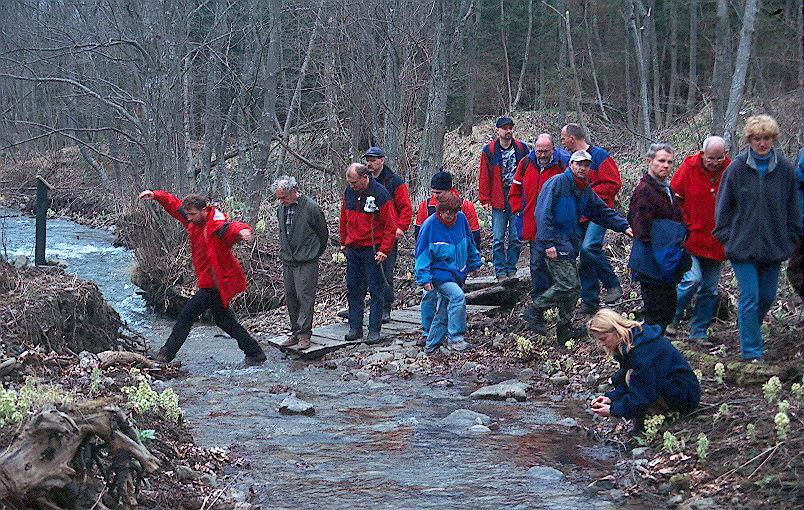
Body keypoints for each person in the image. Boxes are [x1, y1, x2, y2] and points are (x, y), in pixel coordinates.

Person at [138, 190, 267, 365]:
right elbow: (175, 205)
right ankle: (255, 352)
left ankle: (165, 355)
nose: (189, 218)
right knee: (224, 320)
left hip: (215, 283)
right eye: (188, 214)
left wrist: (243, 231)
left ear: (204, 210)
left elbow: (232, 228)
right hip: (208, 281)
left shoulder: (217, 227)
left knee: (186, 315)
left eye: (192, 214)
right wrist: (155, 195)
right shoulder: (194, 220)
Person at [714, 115, 801, 361]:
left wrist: (791, 237)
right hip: (742, 246)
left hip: (773, 245)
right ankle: (751, 351)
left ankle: (749, 328)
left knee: (767, 297)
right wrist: (726, 237)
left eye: (766, 138)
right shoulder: (737, 168)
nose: (762, 143)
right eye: (756, 139)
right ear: (749, 140)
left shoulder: (785, 168)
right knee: (750, 296)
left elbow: (792, 206)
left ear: (773, 139)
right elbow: (723, 206)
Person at [531, 150, 632, 342]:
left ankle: (564, 329)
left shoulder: (584, 189)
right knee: (569, 284)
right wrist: (547, 243)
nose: (582, 168)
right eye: (579, 164)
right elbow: (542, 214)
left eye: (586, 165)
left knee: (573, 288)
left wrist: (624, 226)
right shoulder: (557, 183)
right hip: (553, 243)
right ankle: (535, 310)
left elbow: (601, 211)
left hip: (569, 243)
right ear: (571, 164)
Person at [665, 137, 731, 342]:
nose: (715, 162)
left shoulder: (730, 170)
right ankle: (672, 318)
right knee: (691, 280)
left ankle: (699, 331)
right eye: (711, 158)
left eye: (719, 158)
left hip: (717, 241)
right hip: (691, 238)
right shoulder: (688, 168)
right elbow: (674, 197)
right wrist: (684, 222)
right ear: (703, 154)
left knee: (710, 289)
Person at [588, 309, 700, 428]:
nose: (602, 344)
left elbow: (643, 393)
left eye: (603, 339)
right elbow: (633, 381)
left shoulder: (642, 351)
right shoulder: (634, 339)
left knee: (631, 377)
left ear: (616, 331)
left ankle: (664, 413)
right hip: (678, 387)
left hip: (685, 396)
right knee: (629, 376)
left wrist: (613, 410)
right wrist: (611, 398)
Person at [561, 123, 624, 314]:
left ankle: (613, 284)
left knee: (590, 247)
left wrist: (589, 196)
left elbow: (613, 184)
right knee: (584, 256)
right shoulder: (570, 161)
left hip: (599, 212)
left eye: (563, 138)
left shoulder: (600, 157)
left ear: (572, 138)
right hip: (580, 216)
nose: (562, 142)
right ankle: (590, 301)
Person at [628, 143, 691, 331]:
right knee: (655, 314)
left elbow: (677, 218)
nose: (666, 166)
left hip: (666, 260)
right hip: (651, 261)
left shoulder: (666, 189)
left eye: (670, 162)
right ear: (650, 161)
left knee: (667, 310)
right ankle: (649, 353)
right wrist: (666, 239)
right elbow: (640, 227)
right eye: (661, 161)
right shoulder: (644, 190)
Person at [508, 133, 569, 326]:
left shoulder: (562, 164)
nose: (542, 154)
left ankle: (555, 302)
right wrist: (518, 211)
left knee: (556, 264)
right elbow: (515, 190)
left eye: (545, 151)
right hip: (533, 226)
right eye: (539, 150)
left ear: (553, 148)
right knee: (536, 264)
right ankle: (538, 303)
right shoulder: (526, 163)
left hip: (557, 226)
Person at [415, 192, 482, 353]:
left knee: (444, 308)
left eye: (453, 211)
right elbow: (422, 254)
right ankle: (456, 338)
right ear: (439, 210)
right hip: (439, 272)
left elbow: (469, 243)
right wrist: (424, 278)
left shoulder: (461, 220)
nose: (449, 215)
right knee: (457, 297)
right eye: (445, 211)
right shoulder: (429, 226)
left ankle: (431, 346)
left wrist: (474, 263)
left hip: (458, 271)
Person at [340, 163, 397, 344]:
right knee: (354, 289)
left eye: (354, 182)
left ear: (365, 178)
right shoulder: (348, 193)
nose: (352, 186)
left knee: (376, 291)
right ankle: (355, 327)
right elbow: (344, 218)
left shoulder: (381, 193)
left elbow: (390, 225)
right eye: (349, 182)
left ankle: (374, 330)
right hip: (353, 249)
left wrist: (384, 250)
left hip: (373, 250)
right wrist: (343, 242)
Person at [273, 176, 328, 351]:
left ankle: (305, 334)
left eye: (284, 197)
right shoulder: (281, 209)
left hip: (307, 260)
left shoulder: (311, 208)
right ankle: (295, 332)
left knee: (305, 296)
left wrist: (313, 253)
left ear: (294, 191)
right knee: (291, 296)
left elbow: (323, 234)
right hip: (288, 260)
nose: (281, 201)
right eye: (279, 197)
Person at [364, 147, 412, 322]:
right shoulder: (364, 181)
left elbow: (406, 207)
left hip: (387, 233)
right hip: (367, 234)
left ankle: (386, 307)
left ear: (381, 160)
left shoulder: (394, 182)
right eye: (367, 159)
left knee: (386, 272)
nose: (369, 163)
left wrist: (400, 228)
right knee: (364, 273)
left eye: (373, 159)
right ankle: (361, 307)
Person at [478, 116, 529, 281]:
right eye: (505, 128)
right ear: (497, 130)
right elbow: (484, 176)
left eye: (510, 128)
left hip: (518, 198)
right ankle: (500, 271)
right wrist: (485, 199)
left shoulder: (521, 149)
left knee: (516, 237)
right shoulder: (490, 150)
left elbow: (529, 173)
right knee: (498, 238)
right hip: (499, 198)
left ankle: (511, 269)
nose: (508, 131)